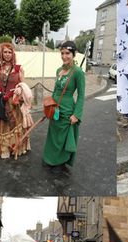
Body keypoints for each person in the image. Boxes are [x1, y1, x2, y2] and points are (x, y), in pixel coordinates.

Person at [43, 41, 85, 171]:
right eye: (62, 53)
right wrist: (48, 105)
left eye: (67, 53)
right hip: (55, 108)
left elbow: (81, 95)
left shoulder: (78, 72)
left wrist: (77, 114)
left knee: (62, 137)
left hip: (67, 110)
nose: (64, 56)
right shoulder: (58, 70)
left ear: (74, 54)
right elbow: (56, 91)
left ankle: (60, 161)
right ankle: (51, 158)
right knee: (54, 135)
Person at [0, 43, 28, 158]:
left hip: (13, 103)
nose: (7, 55)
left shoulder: (19, 69)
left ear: (13, 54)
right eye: (5, 52)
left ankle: (15, 148)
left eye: (10, 52)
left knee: (13, 126)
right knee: (1, 127)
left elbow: (23, 85)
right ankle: (2, 150)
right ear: (1, 53)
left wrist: (20, 89)